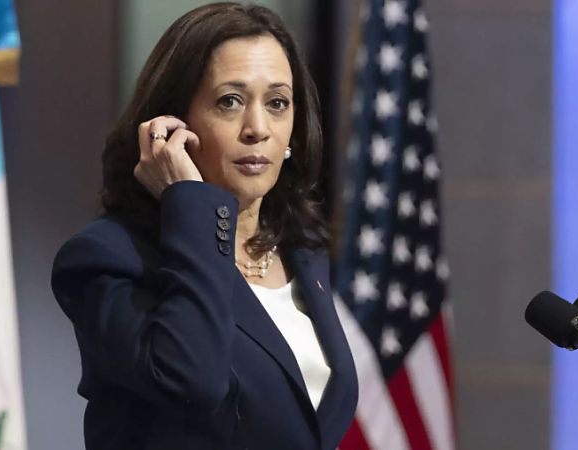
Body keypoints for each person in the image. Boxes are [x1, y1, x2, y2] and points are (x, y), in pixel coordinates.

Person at [50, 3, 357, 449]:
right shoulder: (105, 258)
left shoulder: (301, 252)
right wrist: (190, 204)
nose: (258, 128)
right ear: (174, 123)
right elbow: (193, 381)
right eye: (230, 101)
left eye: (277, 103)